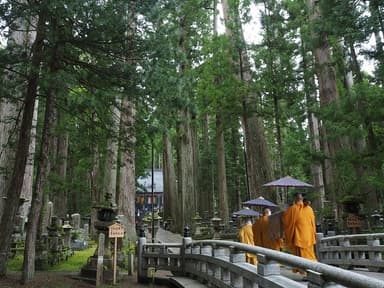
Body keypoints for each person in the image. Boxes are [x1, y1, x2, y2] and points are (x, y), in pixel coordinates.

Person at [282, 193, 317, 273]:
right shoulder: (310, 209)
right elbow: (313, 223)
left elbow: (285, 221)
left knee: (303, 256)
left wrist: (286, 210)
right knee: (310, 255)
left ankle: (306, 272)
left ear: (295, 199)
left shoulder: (293, 209)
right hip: (309, 236)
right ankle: (312, 271)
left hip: (300, 237)